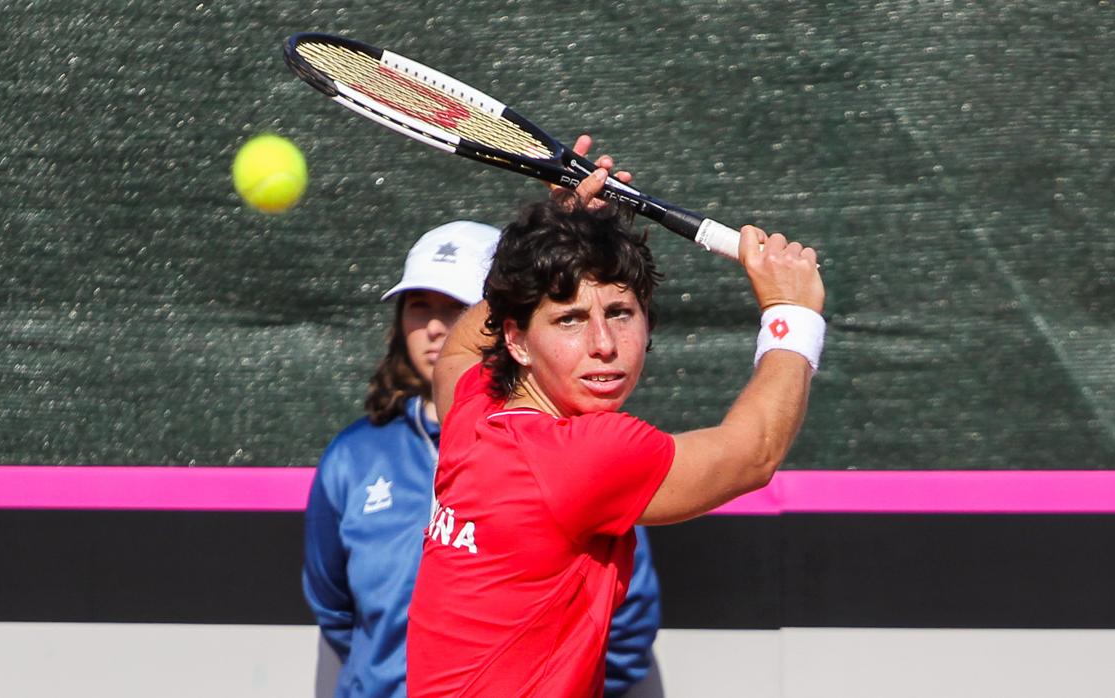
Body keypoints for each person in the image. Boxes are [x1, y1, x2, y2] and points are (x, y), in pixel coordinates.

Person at [406, 143, 824, 697]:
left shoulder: (475, 412)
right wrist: (791, 314)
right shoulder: (584, 455)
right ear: (517, 339)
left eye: (620, 313)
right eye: (570, 320)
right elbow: (755, 452)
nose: (604, 345)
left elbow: (461, 352)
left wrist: (554, 236)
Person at [302, 220, 663, 698]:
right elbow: (334, 609)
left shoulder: (584, 458)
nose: (433, 325)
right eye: (418, 305)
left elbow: (626, 623)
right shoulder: (353, 456)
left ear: (507, 320)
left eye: (456, 306)